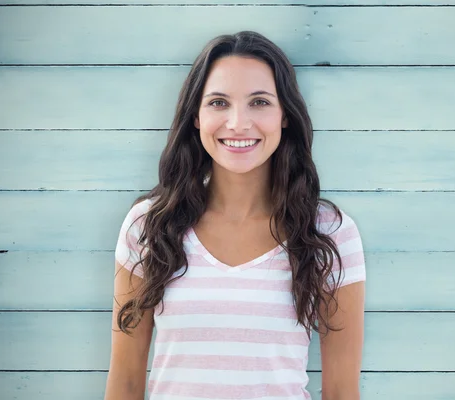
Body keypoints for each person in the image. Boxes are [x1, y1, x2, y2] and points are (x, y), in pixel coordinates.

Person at [104, 31, 366, 400]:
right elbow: (126, 382)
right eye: (218, 103)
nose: (238, 123)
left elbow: (341, 392)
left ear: (285, 116)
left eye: (259, 102)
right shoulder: (149, 226)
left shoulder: (329, 232)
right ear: (195, 116)